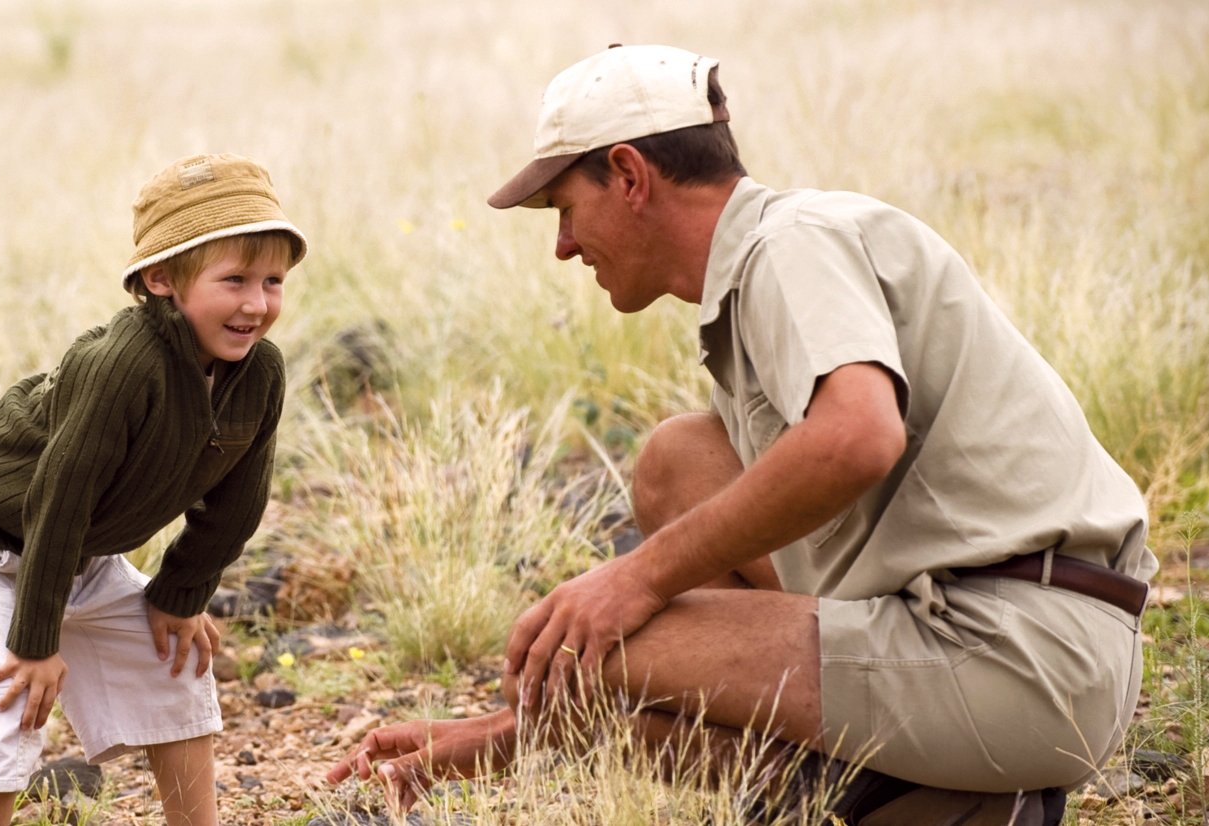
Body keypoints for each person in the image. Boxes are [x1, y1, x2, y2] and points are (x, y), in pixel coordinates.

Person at [329, 45, 1154, 824]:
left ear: (627, 175)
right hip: (991, 630)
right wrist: (493, 735)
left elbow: (858, 437)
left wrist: (639, 580)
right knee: (678, 463)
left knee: (600, 641)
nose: (563, 246)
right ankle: (928, 791)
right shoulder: (773, 255)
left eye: (566, 209)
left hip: (1023, 654)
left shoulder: (790, 244)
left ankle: (944, 794)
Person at [0, 153, 303, 826]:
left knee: (172, 661)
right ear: (160, 279)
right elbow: (59, 500)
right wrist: (35, 640)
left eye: (273, 281)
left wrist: (180, 594)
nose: (256, 304)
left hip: (75, 549)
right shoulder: (122, 364)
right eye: (234, 280)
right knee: (11, 699)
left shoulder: (258, 372)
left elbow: (238, 502)